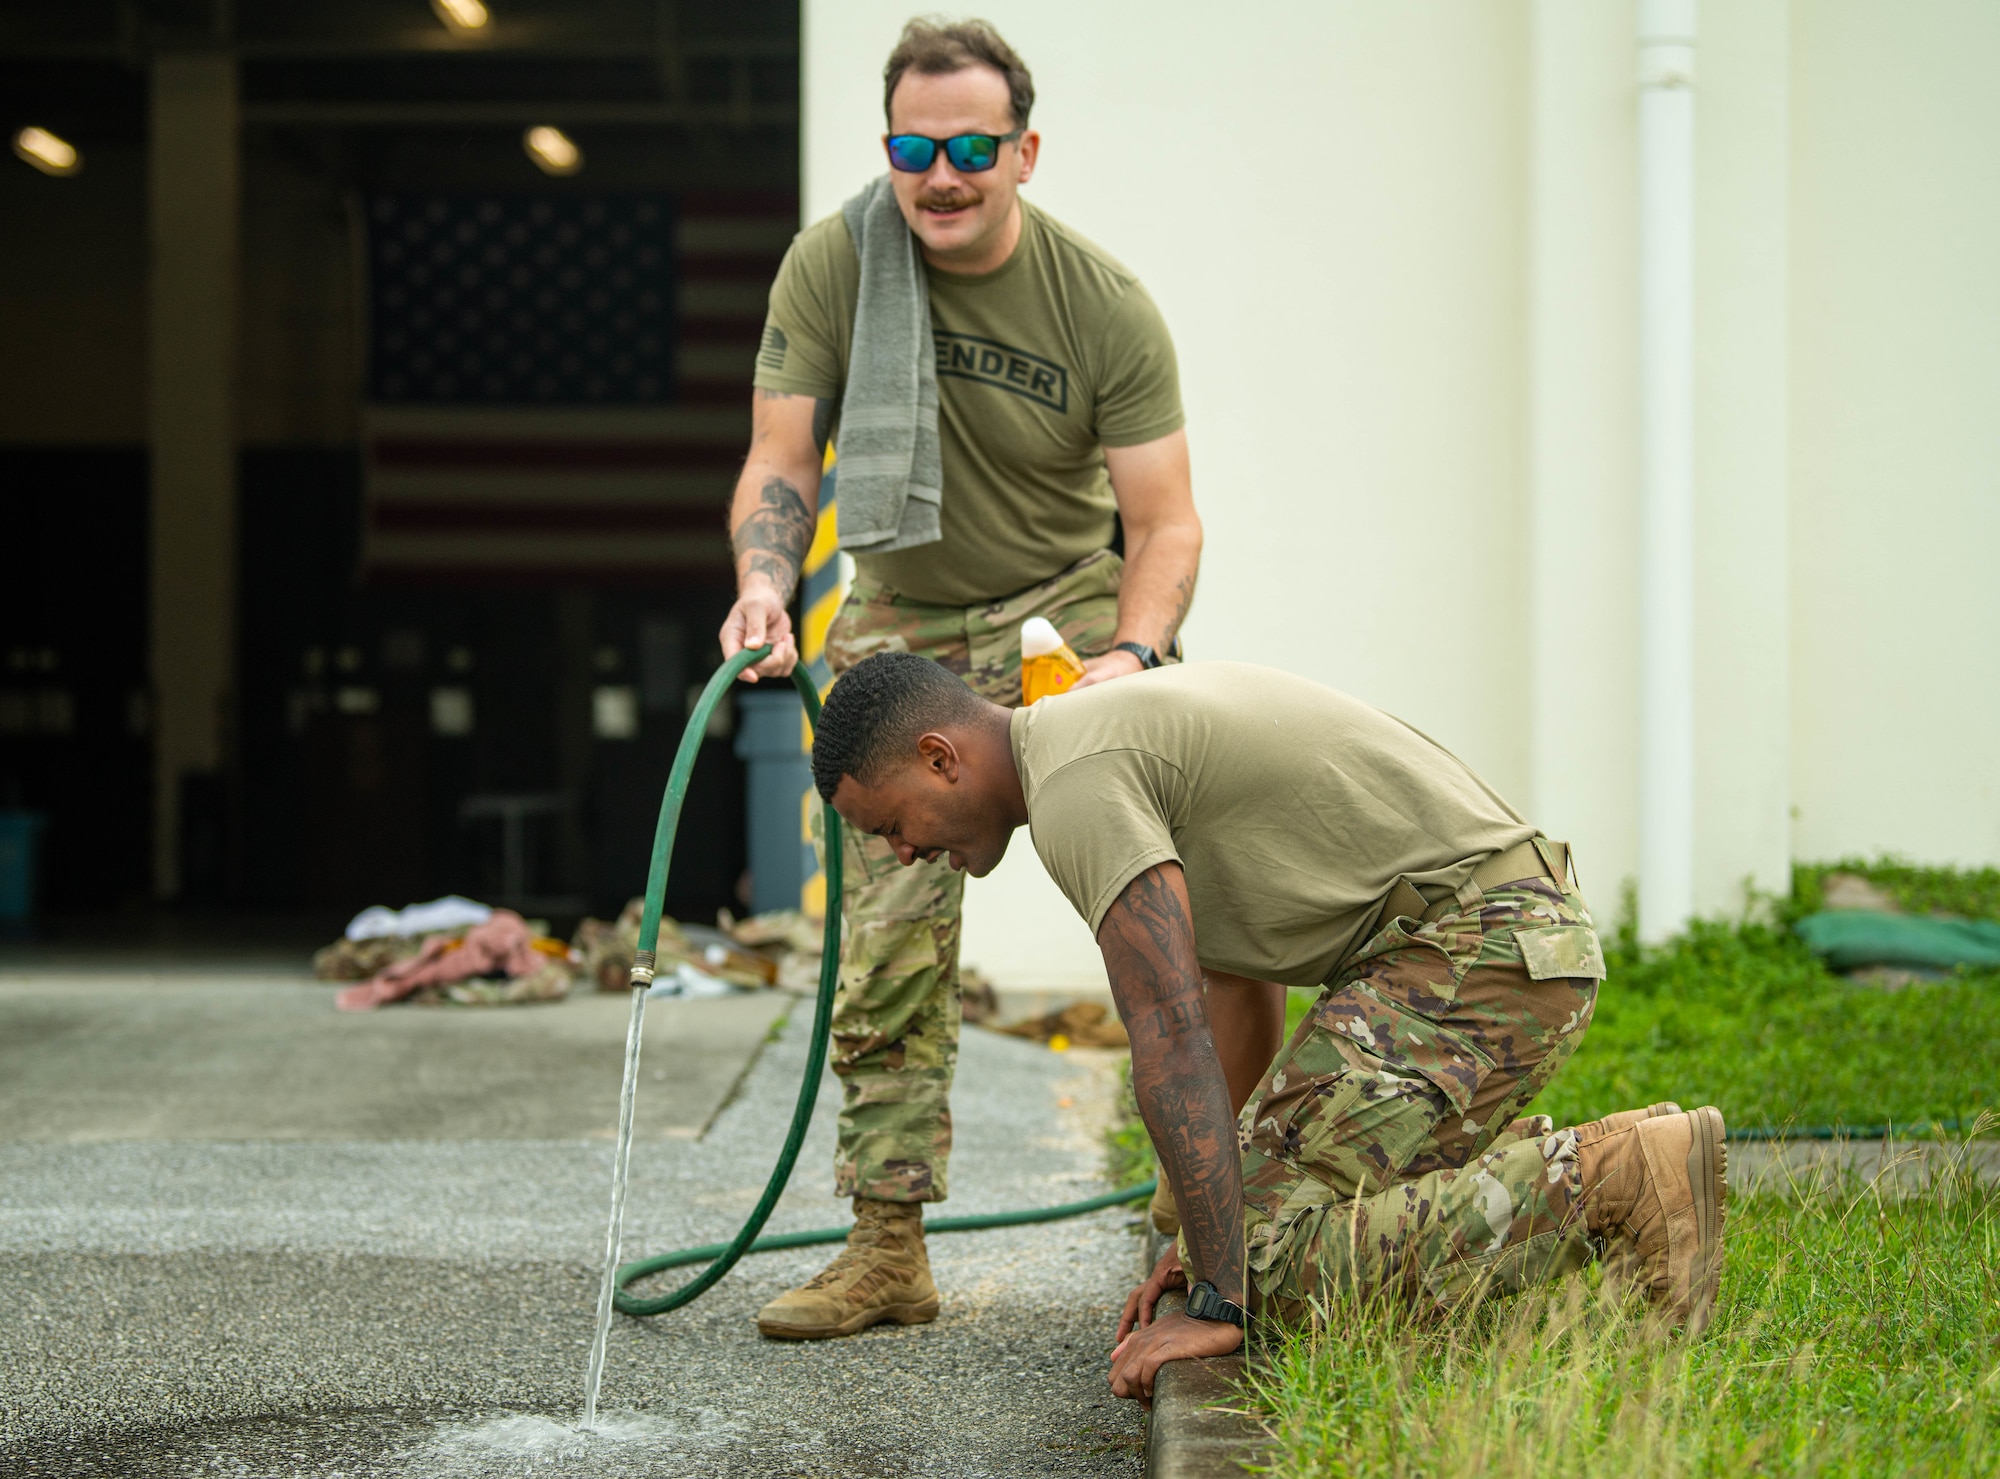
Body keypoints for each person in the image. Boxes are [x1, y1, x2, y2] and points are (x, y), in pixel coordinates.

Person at [806, 652, 1730, 1403]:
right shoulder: (1090, 737)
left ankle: (1610, 1184)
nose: (905, 852)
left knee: (1273, 1273)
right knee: (1247, 1241)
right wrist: (1194, 1236)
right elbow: (1233, 987)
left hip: (1482, 950)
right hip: (1490, 940)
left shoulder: (1075, 787)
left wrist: (1223, 1289)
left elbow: (1171, 1037)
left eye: (892, 822)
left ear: (940, 756)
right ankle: (1626, 1157)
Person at [717, 18, 1212, 1340]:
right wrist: (766, 576)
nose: (940, 175)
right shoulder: (837, 261)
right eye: (914, 147)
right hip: (897, 616)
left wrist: (1132, 656)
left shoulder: (1100, 303)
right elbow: (781, 456)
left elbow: (1164, 522)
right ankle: (888, 1248)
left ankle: (1201, 1233)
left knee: (1162, 918)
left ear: (1023, 151)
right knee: (881, 946)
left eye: (970, 148)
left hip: (1066, 611)